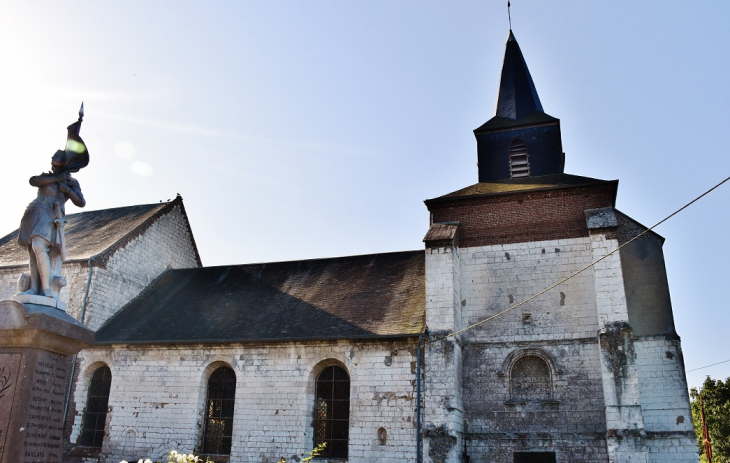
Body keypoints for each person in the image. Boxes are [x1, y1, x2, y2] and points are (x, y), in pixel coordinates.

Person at [17, 148, 86, 297]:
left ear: (64, 163)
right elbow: (33, 181)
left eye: (57, 161)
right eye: (53, 162)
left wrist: (66, 189)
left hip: (50, 214)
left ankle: (46, 288)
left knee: (38, 245)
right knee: (32, 252)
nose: (53, 165)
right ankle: (34, 288)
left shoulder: (71, 182)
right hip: (34, 212)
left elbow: (81, 202)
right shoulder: (47, 177)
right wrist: (57, 178)